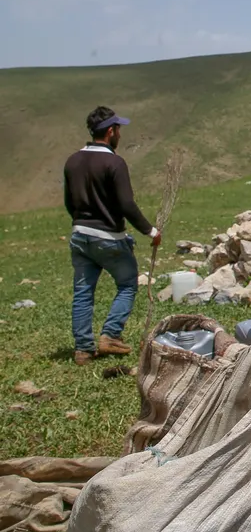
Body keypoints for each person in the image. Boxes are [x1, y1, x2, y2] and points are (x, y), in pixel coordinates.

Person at [62, 107, 161, 366]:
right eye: (118, 129)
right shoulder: (114, 162)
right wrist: (150, 230)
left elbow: (69, 203)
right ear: (110, 131)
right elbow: (126, 204)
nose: (119, 134)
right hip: (108, 237)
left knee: (83, 292)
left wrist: (81, 221)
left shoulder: (72, 161)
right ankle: (110, 335)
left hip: (80, 234)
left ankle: (83, 350)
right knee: (128, 283)